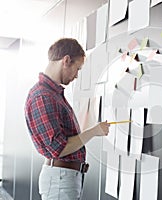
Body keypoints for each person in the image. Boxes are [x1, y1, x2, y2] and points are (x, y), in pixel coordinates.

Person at [24, 38, 110, 200]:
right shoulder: (43, 96)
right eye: (77, 68)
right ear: (66, 60)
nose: (77, 75)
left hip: (64, 178)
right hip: (61, 180)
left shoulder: (52, 94)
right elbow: (59, 149)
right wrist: (93, 132)